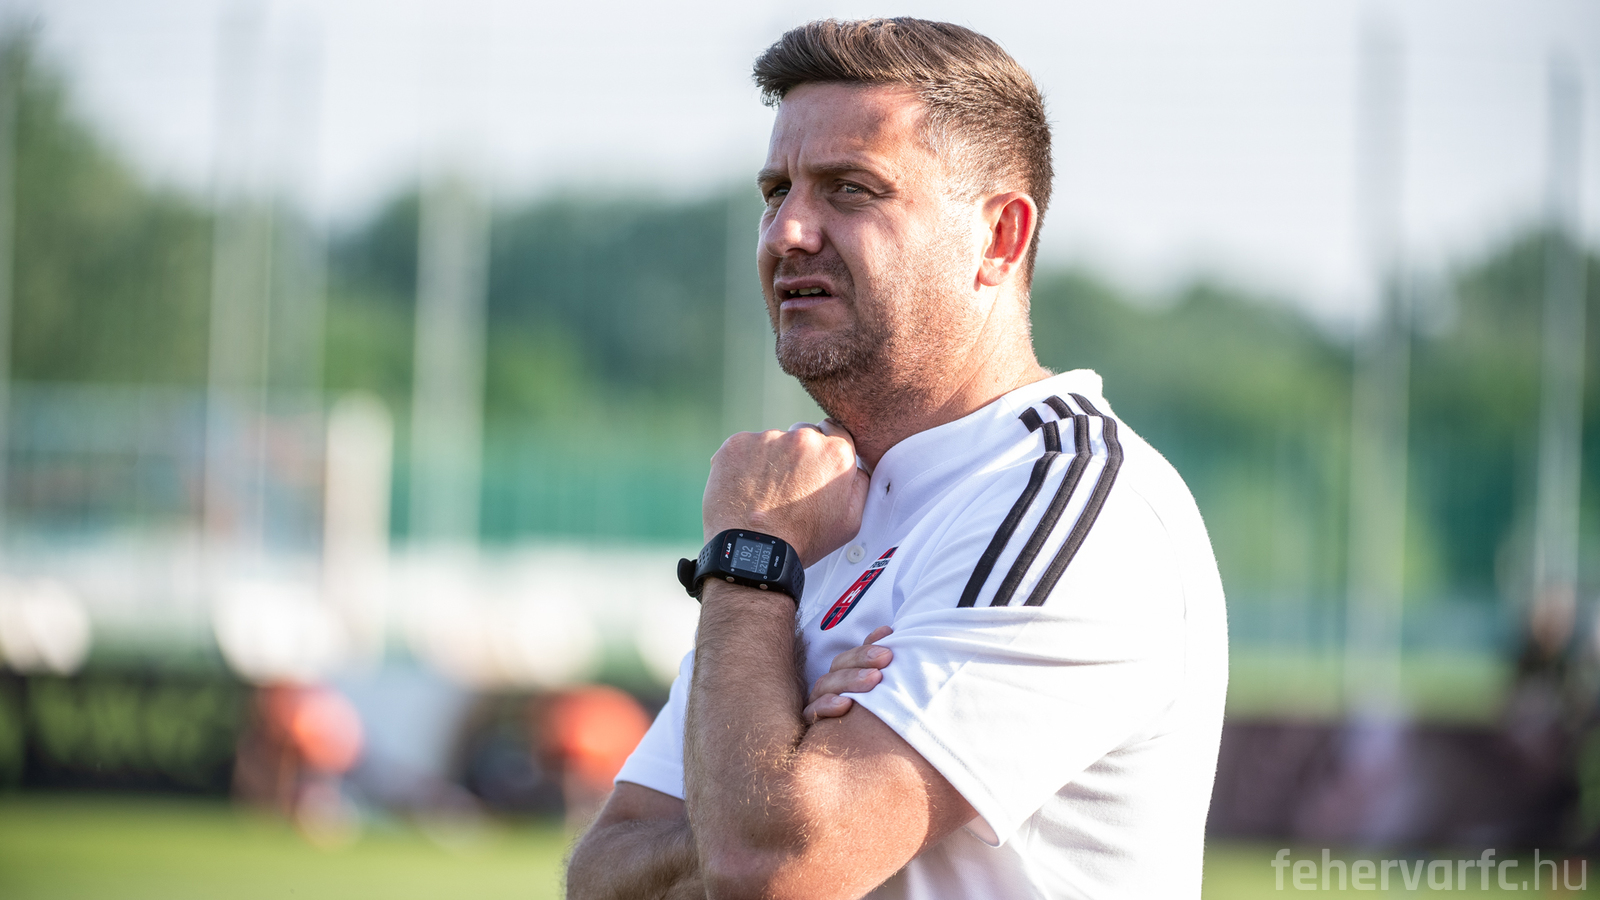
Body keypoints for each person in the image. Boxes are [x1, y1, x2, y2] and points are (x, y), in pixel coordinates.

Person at [566, 17, 1227, 900]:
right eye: (776, 190)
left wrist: (750, 571)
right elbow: (603, 875)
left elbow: (771, 868)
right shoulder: (808, 504)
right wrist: (765, 781)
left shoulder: (1069, 500)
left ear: (999, 237)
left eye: (850, 189)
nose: (788, 231)